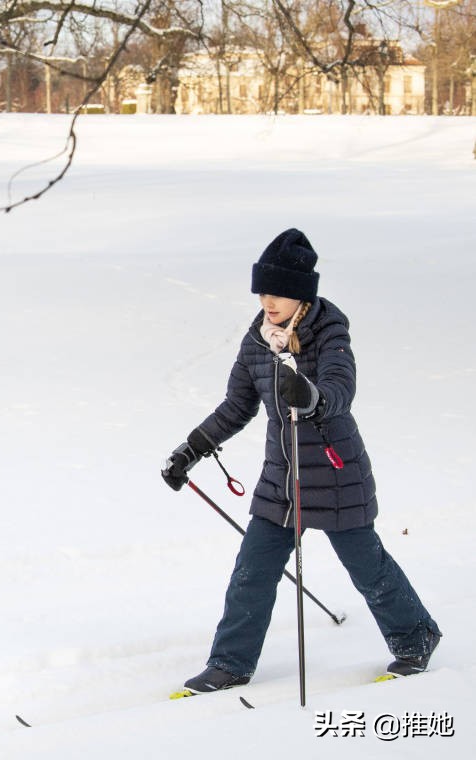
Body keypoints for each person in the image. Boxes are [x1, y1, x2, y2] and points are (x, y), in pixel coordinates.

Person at [161, 228, 441, 694]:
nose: (269, 302)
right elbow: (236, 406)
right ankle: (230, 663)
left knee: (367, 567)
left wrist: (310, 397)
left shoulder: (329, 329)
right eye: (264, 292)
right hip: (281, 481)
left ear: (303, 296)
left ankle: (416, 639)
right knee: (251, 572)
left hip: (335, 474)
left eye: (280, 293)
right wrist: (191, 449)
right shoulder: (257, 340)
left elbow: (339, 388)